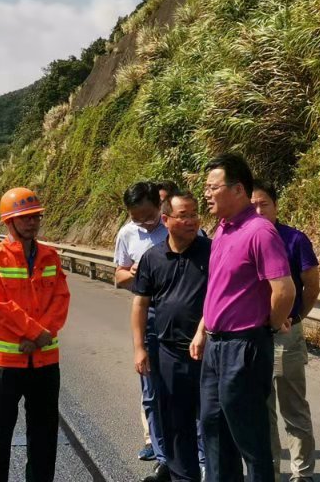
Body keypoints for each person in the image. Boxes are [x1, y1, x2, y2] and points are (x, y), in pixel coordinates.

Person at [192, 153, 295, 482]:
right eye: (205, 187)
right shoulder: (221, 230)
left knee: (249, 436)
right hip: (216, 346)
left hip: (244, 347)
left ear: (238, 190)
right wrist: (203, 331)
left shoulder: (260, 231)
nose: (206, 193)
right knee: (214, 429)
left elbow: (285, 290)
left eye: (213, 187)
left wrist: (267, 325)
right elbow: (218, 290)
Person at [0, 187, 70, 482]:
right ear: (9, 221)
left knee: (44, 435)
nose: (32, 222)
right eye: (25, 218)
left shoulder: (50, 256)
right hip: (7, 362)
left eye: (35, 217)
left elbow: (60, 298)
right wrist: (33, 332)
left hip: (45, 362)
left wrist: (43, 333)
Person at [132, 191, 210, 482]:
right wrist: (140, 348)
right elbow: (140, 303)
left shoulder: (211, 252)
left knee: (211, 421)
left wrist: (202, 332)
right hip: (167, 353)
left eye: (194, 214)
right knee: (175, 423)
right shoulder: (152, 258)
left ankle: (212, 472)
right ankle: (182, 477)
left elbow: (217, 299)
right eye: (183, 215)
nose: (191, 220)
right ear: (165, 220)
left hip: (207, 352)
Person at [251, 180, 318, 482]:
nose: (258, 209)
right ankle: (270, 472)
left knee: (293, 407)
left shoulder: (294, 239)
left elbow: (312, 285)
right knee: (261, 408)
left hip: (285, 335)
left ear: (276, 205)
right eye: (252, 205)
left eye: (264, 203)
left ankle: (301, 474)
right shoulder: (245, 239)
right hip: (253, 334)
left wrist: (296, 316)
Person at [114, 181, 170, 479]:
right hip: (148, 319)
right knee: (151, 392)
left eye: (149, 216)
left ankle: (196, 453)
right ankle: (161, 454)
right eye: (137, 218)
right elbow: (118, 275)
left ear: (160, 206)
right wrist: (132, 273)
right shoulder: (127, 233)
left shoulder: (175, 227)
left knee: (189, 390)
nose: (144, 223)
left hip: (181, 319)